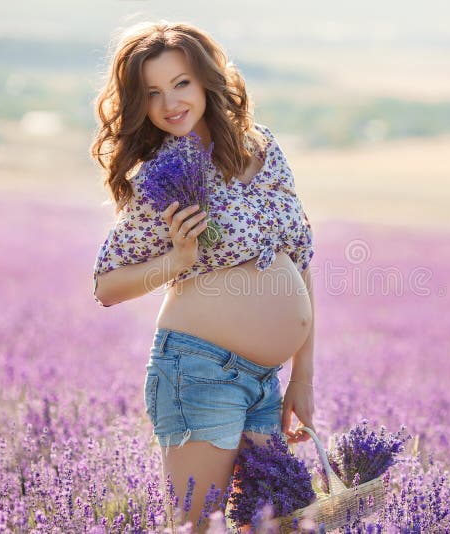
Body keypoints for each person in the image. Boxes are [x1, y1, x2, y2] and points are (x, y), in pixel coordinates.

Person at [89, 20, 316, 530]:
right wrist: (178, 261)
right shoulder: (166, 176)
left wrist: (302, 375)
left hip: (264, 381)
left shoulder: (263, 149)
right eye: (152, 93)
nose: (169, 102)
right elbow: (106, 285)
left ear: (207, 80)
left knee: (280, 522)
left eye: (180, 83)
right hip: (199, 373)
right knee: (197, 527)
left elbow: (301, 260)